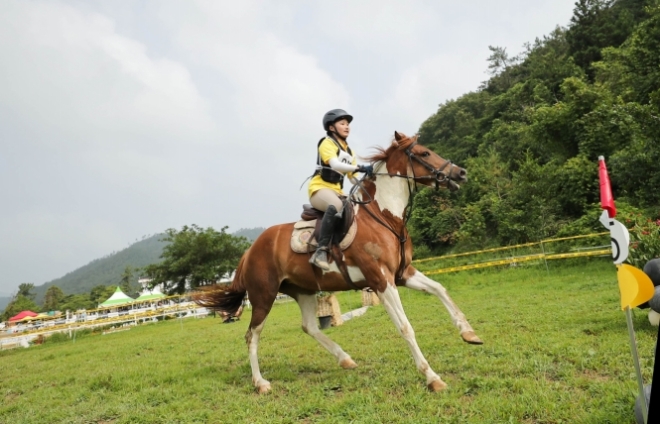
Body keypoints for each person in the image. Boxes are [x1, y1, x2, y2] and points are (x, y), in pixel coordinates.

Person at [307, 109, 373, 270]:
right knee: (336, 206)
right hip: (319, 189)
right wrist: (360, 167)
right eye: (342, 123)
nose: (347, 126)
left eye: (348, 124)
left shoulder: (350, 152)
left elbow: (351, 177)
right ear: (331, 128)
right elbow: (335, 164)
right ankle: (320, 251)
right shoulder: (326, 143)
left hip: (338, 191)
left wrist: (369, 180)